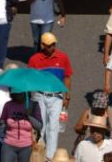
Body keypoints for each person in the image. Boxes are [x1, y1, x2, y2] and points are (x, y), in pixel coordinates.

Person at [27, 32, 72, 161]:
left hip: (56, 97)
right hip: (39, 96)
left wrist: (67, 96)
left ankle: (50, 158)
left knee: (53, 128)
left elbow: (67, 77)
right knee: (41, 127)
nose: (52, 47)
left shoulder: (62, 57)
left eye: (53, 44)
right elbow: (30, 79)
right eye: (49, 45)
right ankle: (40, 155)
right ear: (42, 45)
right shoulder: (34, 59)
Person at [0, 90, 43, 162]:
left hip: (26, 147)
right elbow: (1, 126)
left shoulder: (33, 105)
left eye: (21, 93)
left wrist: (29, 116)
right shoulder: (8, 105)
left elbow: (39, 126)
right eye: (16, 92)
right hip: (8, 145)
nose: (19, 95)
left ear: (26, 93)